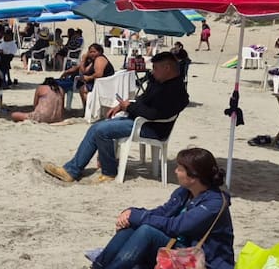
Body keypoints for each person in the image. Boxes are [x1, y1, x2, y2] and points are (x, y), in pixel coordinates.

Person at [87, 148, 234, 269]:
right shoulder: (185, 192)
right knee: (134, 224)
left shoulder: (213, 204)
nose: (175, 171)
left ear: (193, 176)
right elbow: (162, 213)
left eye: (180, 169)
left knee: (146, 231)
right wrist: (131, 213)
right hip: (180, 252)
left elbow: (177, 226)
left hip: (204, 265)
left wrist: (137, 217)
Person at [43, 52, 188, 184]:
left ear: (167, 68)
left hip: (150, 128)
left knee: (101, 131)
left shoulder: (174, 90)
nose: (153, 72)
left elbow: (154, 114)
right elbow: (144, 101)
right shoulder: (161, 84)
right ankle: (72, 170)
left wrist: (128, 107)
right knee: (97, 128)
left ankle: (108, 171)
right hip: (141, 122)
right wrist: (124, 105)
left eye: (156, 68)